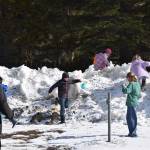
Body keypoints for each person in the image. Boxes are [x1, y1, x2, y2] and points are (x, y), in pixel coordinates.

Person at [122, 72, 141, 137]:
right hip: (135, 102)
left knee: (130, 118)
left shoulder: (131, 84)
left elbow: (126, 91)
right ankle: (133, 132)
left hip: (131, 102)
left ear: (131, 78)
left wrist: (123, 86)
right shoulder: (138, 84)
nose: (127, 79)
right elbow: (139, 94)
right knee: (133, 117)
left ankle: (133, 133)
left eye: (128, 78)